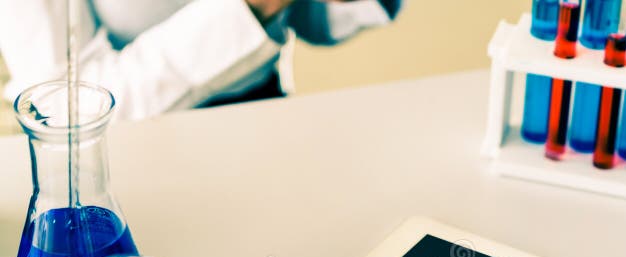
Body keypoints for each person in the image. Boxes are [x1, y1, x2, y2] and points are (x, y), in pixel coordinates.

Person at [0, 0, 402, 120]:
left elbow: (303, 18)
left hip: (266, 117)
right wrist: (250, 6)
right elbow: (65, 102)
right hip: (130, 173)